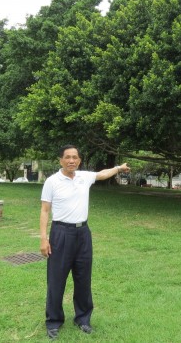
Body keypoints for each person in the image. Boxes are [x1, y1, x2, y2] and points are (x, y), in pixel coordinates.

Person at [39, 145, 130, 340]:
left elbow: (103, 174)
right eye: (67, 157)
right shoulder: (52, 181)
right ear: (61, 160)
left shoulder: (84, 177)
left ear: (79, 160)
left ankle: (83, 319)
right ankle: (54, 321)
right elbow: (45, 210)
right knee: (56, 280)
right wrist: (44, 239)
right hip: (60, 233)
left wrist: (119, 169)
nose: (71, 160)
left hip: (83, 234)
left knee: (83, 278)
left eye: (75, 157)